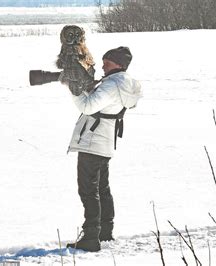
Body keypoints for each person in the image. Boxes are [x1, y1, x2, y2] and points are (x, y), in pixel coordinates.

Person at [65, 47, 142, 252]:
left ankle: (91, 237)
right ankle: (105, 231)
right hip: (105, 141)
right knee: (101, 188)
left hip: (92, 140)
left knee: (88, 190)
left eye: (106, 62)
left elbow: (88, 107)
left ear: (117, 64)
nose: (102, 65)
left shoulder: (111, 85)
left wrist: (74, 89)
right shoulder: (125, 83)